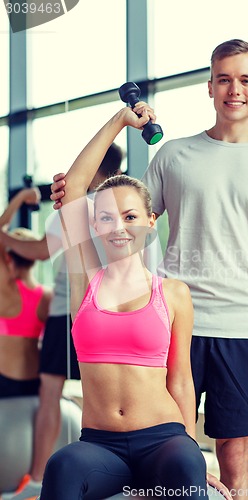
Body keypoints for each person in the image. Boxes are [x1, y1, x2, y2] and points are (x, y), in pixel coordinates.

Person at [50, 39, 248, 499]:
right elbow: (124, 208)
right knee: (173, 458)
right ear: (209, 87)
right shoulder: (173, 155)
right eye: (224, 79)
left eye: (246, 79)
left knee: (233, 461)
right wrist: (81, 192)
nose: (235, 89)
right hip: (169, 322)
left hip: (241, 325)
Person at [39, 107, 231, 500]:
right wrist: (120, 121)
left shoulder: (173, 293)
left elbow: (180, 380)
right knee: (61, 466)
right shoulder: (85, 280)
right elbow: (75, 189)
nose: (118, 227)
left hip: (163, 440)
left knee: (184, 465)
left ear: (149, 221)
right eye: (106, 218)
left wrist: (193, 454)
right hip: (100, 445)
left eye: (130, 216)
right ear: (94, 225)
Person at [0, 145, 124, 500]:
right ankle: (101, 475)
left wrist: (4, 238)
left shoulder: (73, 207)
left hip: (71, 312)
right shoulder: (119, 209)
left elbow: (40, 251)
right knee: (102, 394)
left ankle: (38, 480)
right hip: (104, 310)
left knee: (52, 391)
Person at [0, 188, 52, 400]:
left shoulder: (7, 289)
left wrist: (20, 198)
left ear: (9, 257)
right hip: (35, 380)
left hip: (4, 379)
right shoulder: (48, 297)